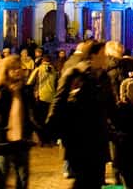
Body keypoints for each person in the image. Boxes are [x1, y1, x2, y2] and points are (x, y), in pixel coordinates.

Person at [48, 40, 115, 189]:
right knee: (83, 180)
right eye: (103, 54)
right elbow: (58, 101)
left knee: (96, 179)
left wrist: (119, 126)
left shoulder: (104, 77)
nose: (106, 57)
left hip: (98, 136)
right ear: (93, 56)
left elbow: (111, 106)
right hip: (78, 137)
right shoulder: (75, 74)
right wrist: (52, 129)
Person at [0, 56, 36, 189]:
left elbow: (32, 116)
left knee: (23, 180)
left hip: (22, 142)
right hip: (2, 142)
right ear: (6, 71)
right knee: (2, 180)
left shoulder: (25, 90)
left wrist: (38, 132)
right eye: (13, 69)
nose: (17, 71)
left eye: (19, 68)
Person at [26, 52, 58, 144]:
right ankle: (50, 138)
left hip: (40, 97)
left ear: (42, 60)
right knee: (49, 119)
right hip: (51, 96)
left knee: (40, 119)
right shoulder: (54, 70)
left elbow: (29, 82)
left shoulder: (38, 69)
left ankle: (42, 139)